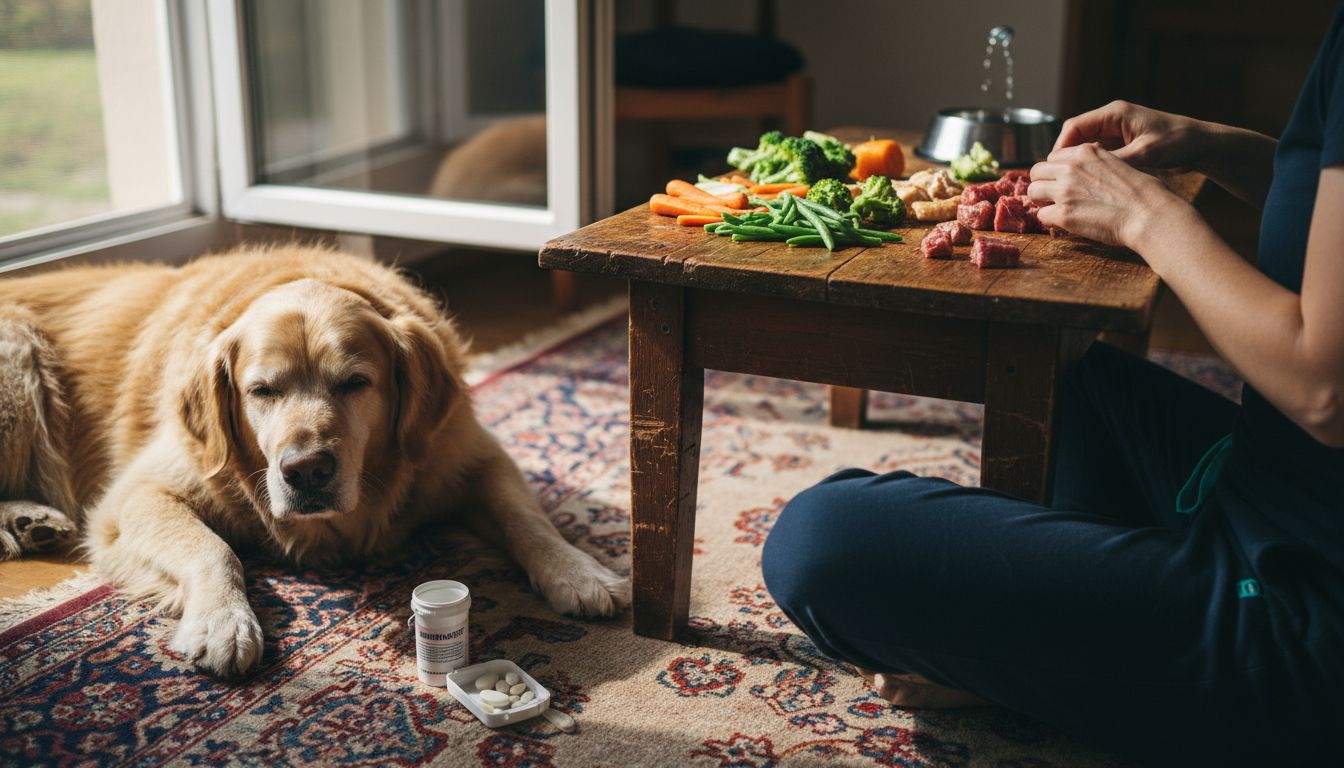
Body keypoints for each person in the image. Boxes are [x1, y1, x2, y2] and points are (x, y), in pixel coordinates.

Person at [761, 9, 1344, 767]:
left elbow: (1325, 389)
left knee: (820, 541)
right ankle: (1082, 647)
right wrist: (1218, 148)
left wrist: (1146, 215)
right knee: (1077, 379)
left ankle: (1078, 660)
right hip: (1273, 490)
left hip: (1307, 609)